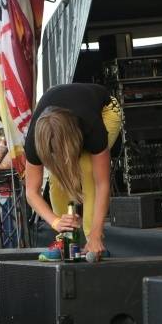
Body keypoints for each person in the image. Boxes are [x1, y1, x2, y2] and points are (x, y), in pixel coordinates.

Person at [24, 83, 122, 260]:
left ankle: (93, 240)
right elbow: (31, 192)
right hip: (71, 116)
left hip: (106, 110)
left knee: (87, 167)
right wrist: (56, 222)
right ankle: (66, 238)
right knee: (57, 176)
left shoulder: (91, 126)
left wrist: (96, 233)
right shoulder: (34, 141)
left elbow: (102, 183)